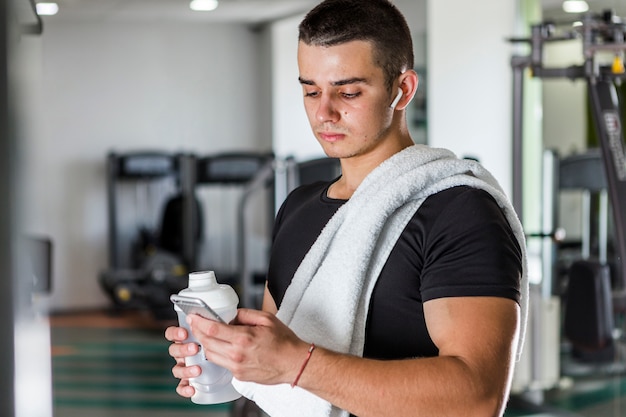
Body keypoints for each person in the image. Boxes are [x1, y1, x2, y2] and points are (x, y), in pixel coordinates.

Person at [165, 1, 527, 416]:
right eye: (310, 91)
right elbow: (278, 367)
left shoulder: (459, 212)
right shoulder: (297, 207)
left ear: (403, 89)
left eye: (349, 91)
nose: (324, 113)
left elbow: (476, 399)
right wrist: (231, 357)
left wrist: (298, 364)